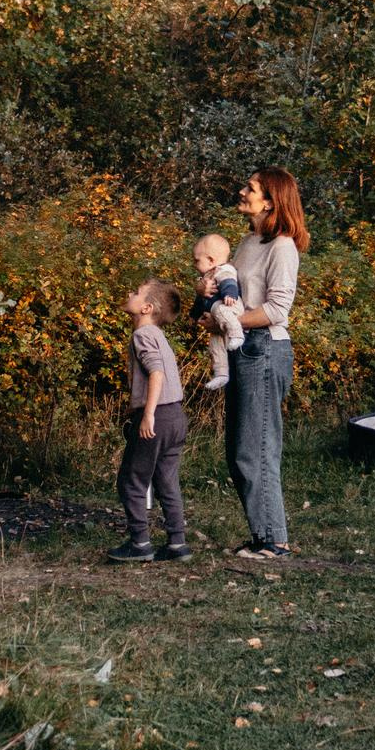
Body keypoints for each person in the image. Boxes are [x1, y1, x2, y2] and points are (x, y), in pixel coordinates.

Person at [227, 168, 306, 561]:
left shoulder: (283, 247)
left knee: (256, 448)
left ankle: (275, 540)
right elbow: (231, 291)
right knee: (240, 449)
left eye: (250, 188)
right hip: (240, 348)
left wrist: (228, 320)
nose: (242, 191)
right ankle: (262, 536)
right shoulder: (247, 242)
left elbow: (276, 309)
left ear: (270, 201)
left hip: (265, 350)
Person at [108, 278, 191, 565]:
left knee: (132, 480)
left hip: (157, 417)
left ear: (146, 307)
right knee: (167, 480)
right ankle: (177, 543)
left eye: (135, 291)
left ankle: (140, 543)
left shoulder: (142, 336)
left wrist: (148, 414)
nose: (128, 292)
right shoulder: (158, 335)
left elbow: (156, 373)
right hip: (176, 416)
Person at [192, 233, 246, 392]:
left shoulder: (223, 269)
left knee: (219, 308)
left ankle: (237, 333)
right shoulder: (205, 278)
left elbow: (229, 281)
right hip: (219, 315)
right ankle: (221, 373)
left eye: (197, 260)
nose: (194, 264)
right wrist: (193, 316)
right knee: (215, 344)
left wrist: (230, 294)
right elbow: (199, 300)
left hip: (230, 306)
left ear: (211, 260)